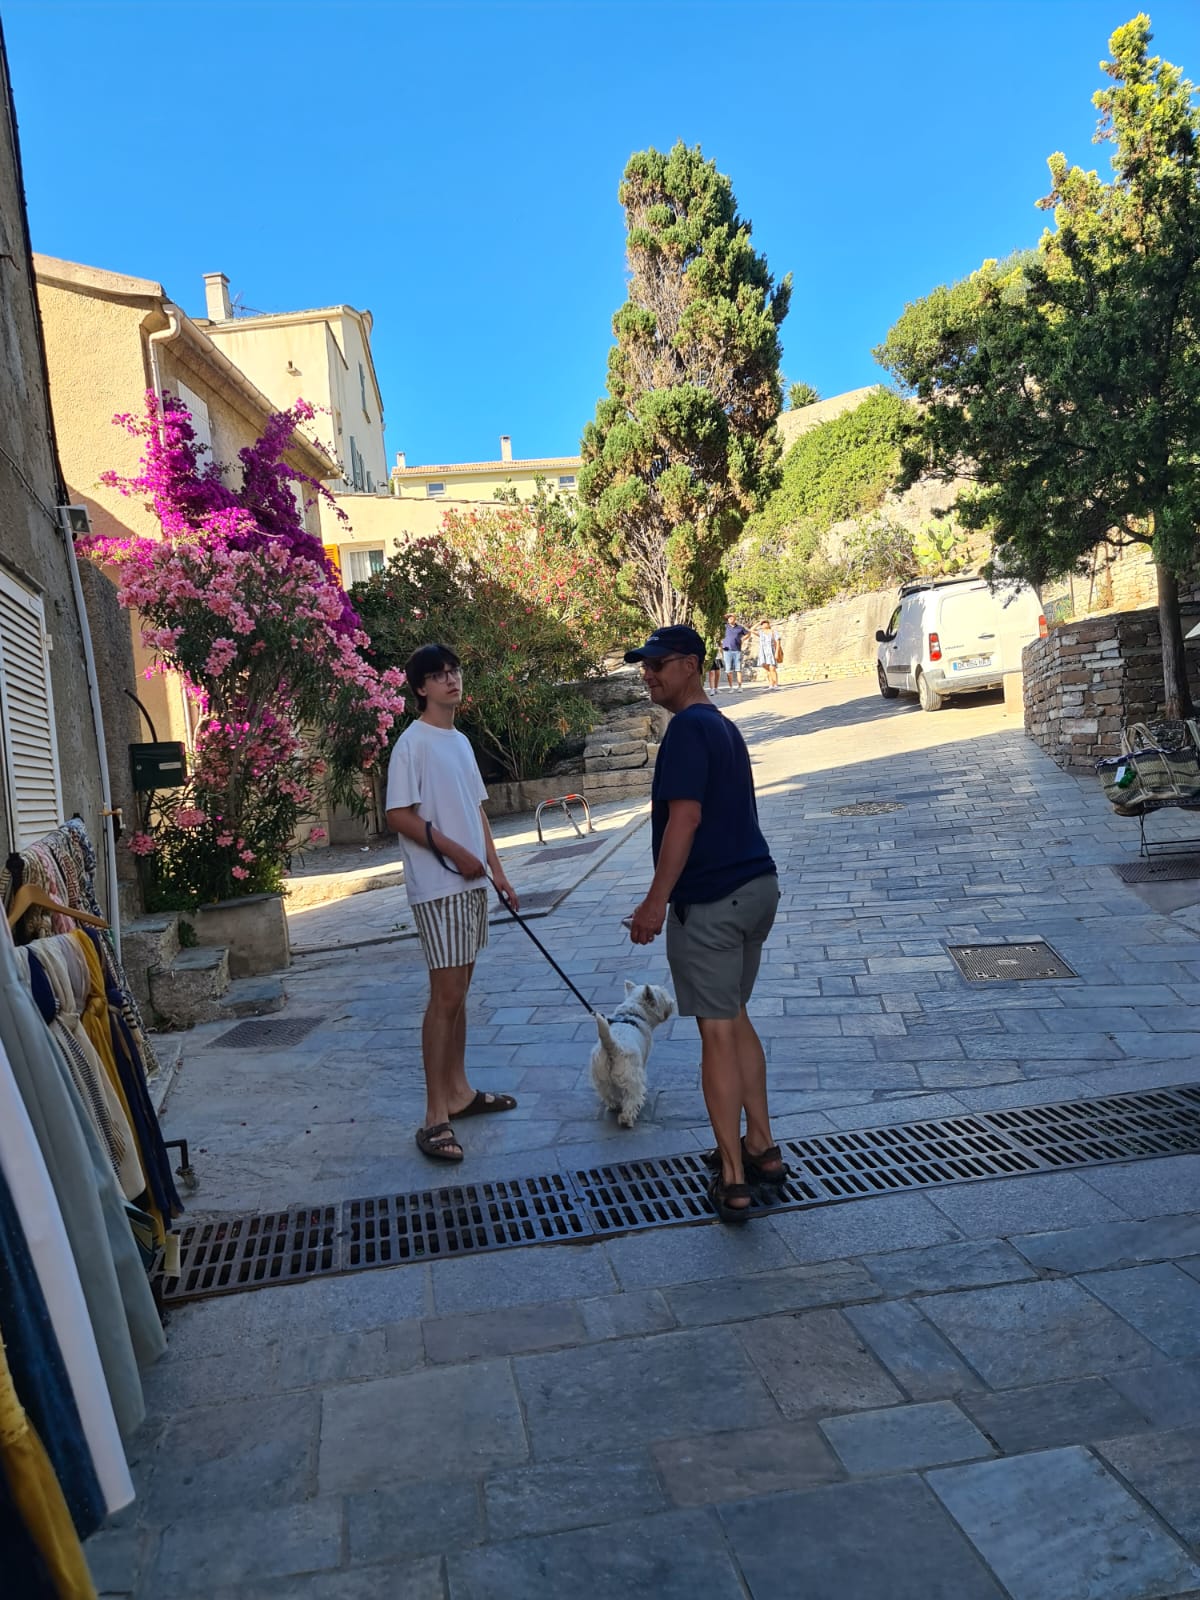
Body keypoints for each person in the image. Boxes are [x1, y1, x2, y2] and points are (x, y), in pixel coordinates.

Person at [624, 625, 784, 1223]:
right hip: (756, 888)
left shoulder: (688, 730)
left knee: (716, 1033)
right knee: (735, 1017)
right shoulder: (723, 726)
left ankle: (733, 1176)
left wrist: (654, 903)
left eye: (658, 663)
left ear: (691, 665)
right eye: (644, 665)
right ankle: (761, 1145)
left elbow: (684, 820)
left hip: (713, 902)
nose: (648, 674)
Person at [385, 643, 520, 1164]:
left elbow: (476, 809)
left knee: (460, 992)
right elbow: (398, 815)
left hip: (472, 885)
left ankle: (460, 1093)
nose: (451, 680)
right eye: (439, 675)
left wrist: (497, 871)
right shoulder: (411, 744)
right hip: (438, 885)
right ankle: (434, 1115)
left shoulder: (460, 741)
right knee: (444, 997)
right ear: (420, 688)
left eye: (455, 671)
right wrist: (455, 851)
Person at [721, 612, 749, 691]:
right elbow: (719, 618)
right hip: (727, 650)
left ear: (735, 619)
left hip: (737, 651)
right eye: (729, 618)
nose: (730, 619)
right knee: (728, 670)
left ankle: (740, 687)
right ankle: (731, 688)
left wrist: (743, 639)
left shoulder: (740, 627)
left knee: (738, 669)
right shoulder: (725, 626)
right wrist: (728, 614)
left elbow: (748, 633)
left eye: (732, 617)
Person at [754, 617, 781, 689]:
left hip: (771, 651)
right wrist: (759, 623)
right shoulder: (761, 633)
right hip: (763, 652)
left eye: (766, 623)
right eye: (763, 624)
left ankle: (776, 684)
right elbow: (751, 630)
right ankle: (771, 684)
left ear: (769, 624)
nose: (764, 624)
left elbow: (778, 642)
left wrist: (777, 652)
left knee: (772, 668)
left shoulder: (773, 632)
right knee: (767, 670)